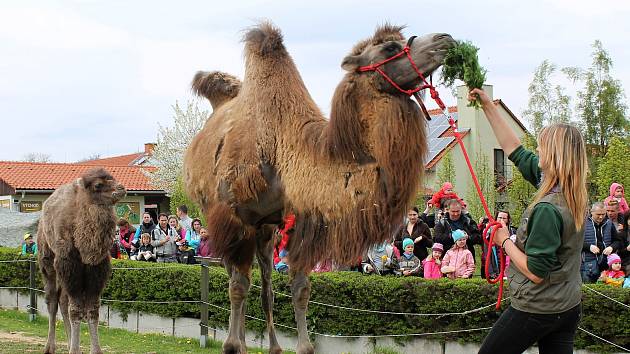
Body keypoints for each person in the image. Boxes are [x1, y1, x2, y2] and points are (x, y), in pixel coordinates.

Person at [472, 88, 587, 354]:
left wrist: (504, 241)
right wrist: (488, 105)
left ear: (555, 155)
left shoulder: (548, 208)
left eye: (542, 146)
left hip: (538, 308)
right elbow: (515, 150)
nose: (536, 149)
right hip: (567, 306)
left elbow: (536, 272)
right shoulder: (570, 191)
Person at [581, 202, 623, 283]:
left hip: (606, 265)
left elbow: (617, 241)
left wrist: (611, 247)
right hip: (588, 264)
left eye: (603, 214)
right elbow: (575, 242)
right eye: (598, 214)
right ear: (591, 212)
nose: (601, 217)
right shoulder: (583, 224)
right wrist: (589, 247)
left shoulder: (609, 223)